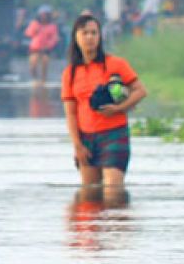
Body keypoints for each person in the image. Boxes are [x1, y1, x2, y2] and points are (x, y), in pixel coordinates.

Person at [61, 14, 147, 188]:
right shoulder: (70, 73)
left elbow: (140, 91)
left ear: (100, 37)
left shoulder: (115, 64)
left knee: (113, 190)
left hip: (114, 133)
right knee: (89, 194)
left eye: (94, 33)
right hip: (86, 138)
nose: (89, 38)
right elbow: (70, 113)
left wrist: (119, 108)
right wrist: (77, 145)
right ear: (76, 37)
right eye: (84, 33)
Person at [24, 5, 59, 85]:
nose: (44, 17)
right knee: (33, 64)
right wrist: (34, 29)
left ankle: (43, 80)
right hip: (35, 49)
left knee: (44, 62)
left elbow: (54, 38)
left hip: (46, 49)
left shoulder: (52, 26)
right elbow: (28, 33)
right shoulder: (34, 23)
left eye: (46, 15)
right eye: (42, 15)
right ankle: (35, 79)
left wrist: (49, 45)